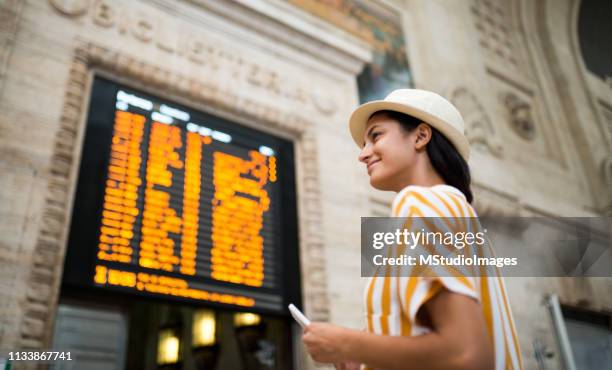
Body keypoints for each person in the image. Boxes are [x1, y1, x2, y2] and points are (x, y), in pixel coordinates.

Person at [302, 89, 523, 370]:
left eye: (376, 136)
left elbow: (466, 353)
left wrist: (346, 343)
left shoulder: (419, 203)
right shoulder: (459, 215)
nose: (363, 154)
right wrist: (365, 359)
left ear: (420, 136)